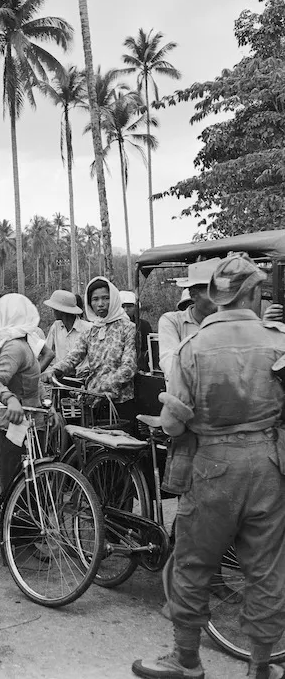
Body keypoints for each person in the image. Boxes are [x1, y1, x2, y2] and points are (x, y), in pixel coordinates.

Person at [133, 253, 285, 679]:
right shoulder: (279, 341)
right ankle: (260, 667)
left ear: (215, 296)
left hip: (213, 466)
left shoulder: (192, 346)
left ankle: (186, 660)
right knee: (266, 569)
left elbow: (173, 424)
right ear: (254, 292)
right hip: (270, 466)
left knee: (194, 562)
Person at [48, 277, 137, 429]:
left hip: (120, 401)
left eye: (105, 298)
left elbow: (128, 367)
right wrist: (55, 370)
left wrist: (102, 388)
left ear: (114, 299)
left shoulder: (128, 327)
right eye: (95, 299)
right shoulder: (90, 331)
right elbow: (74, 356)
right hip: (94, 401)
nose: (100, 304)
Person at [0, 294, 44, 492]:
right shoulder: (15, 346)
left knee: (27, 487)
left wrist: (47, 405)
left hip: (31, 420)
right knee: (15, 487)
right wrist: (10, 399)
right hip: (13, 423)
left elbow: (33, 381)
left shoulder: (22, 343)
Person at [157, 258, 221, 381]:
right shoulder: (172, 321)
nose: (218, 299)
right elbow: (170, 364)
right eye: (212, 292)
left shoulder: (226, 323)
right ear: (193, 295)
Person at [40, 290, 91, 373]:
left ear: (61, 310)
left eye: (54, 309)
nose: (53, 311)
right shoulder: (56, 327)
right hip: (61, 375)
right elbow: (47, 351)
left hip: (82, 376)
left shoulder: (88, 328)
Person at [120, 291, 153, 372]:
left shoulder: (143, 325)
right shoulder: (112, 327)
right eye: (122, 307)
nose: (125, 310)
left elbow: (148, 349)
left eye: (129, 306)